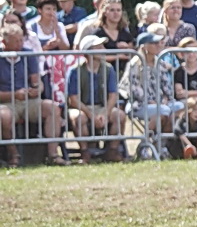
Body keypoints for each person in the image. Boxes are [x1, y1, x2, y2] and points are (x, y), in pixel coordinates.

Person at [0, 18, 67, 165]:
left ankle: (53, 155)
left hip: (28, 101)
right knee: (4, 116)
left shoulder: (28, 54)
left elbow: (37, 81)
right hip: (6, 103)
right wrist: (14, 94)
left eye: (21, 40)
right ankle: (14, 155)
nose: (20, 44)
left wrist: (37, 89)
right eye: (16, 41)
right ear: (4, 42)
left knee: (52, 108)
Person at [121, 30, 186, 157]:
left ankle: (161, 145)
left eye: (158, 43)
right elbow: (133, 88)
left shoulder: (160, 63)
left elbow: (166, 85)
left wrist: (166, 97)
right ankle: (145, 144)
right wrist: (150, 100)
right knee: (162, 111)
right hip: (139, 104)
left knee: (179, 107)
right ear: (144, 46)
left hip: (161, 103)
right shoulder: (134, 64)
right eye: (153, 43)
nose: (157, 46)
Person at [65, 36, 127, 162]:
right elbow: (73, 100)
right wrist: (91, 115)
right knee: (79, 118)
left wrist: (105, 113)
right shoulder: (75, 71)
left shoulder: (108, 69)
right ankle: (85, 152)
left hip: (101, 106)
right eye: (98, 47)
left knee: (119, 116)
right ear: (88, 52)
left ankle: (112, 150)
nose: (103, 49)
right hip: (81, 107)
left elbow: (113, 95)